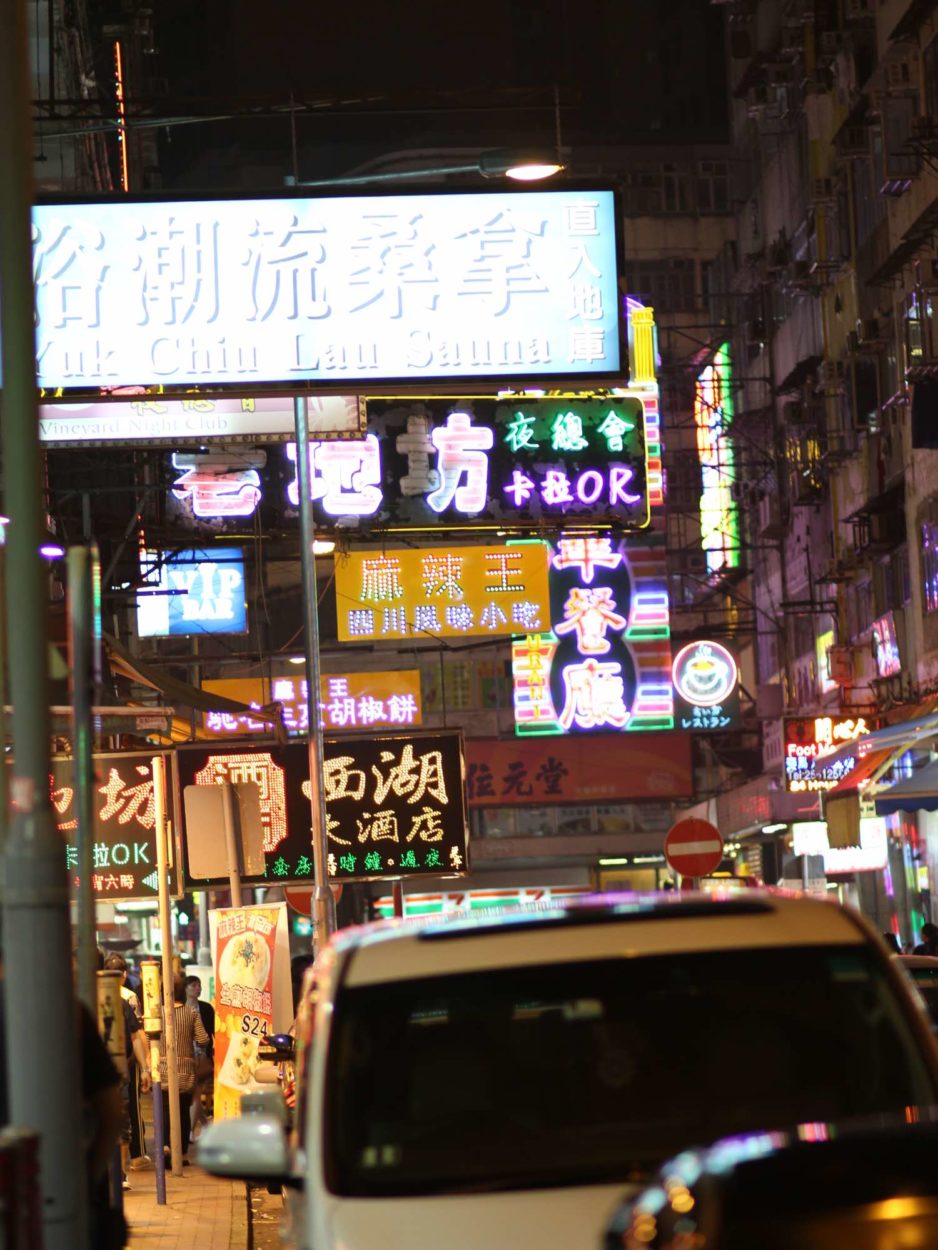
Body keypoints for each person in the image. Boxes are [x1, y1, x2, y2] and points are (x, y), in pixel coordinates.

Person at [104, 952, 150, 1170]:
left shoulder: (86, 998)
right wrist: (145, 1067)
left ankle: (115, 1172)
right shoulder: (127, 999)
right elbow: (137, 1033)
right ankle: (124, 1168)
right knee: (126, 1114)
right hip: (125, 1064)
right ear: (123, 974)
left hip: (106, 1069)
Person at [158, 977, 209, 1162]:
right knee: (182, 1109)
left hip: (162, 1067)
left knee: (164, 1109)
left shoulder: (158, 1014)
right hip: (186, 1068)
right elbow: (203, 1039)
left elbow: (150, 1041)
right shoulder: (191, 1013)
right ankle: (183, 1154)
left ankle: (165, 1145)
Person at [184, 975, 215, 1137]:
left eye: (199, 985)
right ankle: (205, 1125)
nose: (198, 988)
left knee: (196, 1093)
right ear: (185, 988)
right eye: (193, 985)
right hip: (185, 1056)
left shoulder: (207, 1008)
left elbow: (213, 1033)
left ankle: (189, 1131)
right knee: (192, 1094)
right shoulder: (180, 1007)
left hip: (201, 1057)